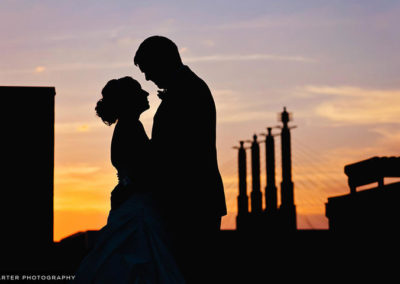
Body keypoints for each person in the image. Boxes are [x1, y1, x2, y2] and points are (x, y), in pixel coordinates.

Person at [73, 77, 185, 284]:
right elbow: (146, 170)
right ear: (128, 100)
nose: (146, 93)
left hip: (132, 203)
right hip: (138, 206)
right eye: (139, 91)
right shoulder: (130, 127)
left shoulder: (129, 126)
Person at [134, 36, 227, 283]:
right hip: (189, 201)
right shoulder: (186, 88)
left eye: (147, 69)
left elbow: (176, 152)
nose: (147, 78)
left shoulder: (188, 91)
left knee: (188, 272)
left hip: (191, 202)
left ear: (161, 61)